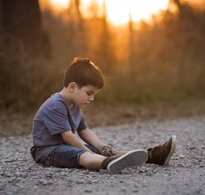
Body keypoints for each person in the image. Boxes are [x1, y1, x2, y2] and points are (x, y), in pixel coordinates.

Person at [30, 57, 176, 174]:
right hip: (48, 151)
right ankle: (107, 163)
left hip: (65, 147)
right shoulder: (56, 105)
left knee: (104, 152)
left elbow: (84, 131)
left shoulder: (75, 105)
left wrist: (101, 146)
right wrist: (90, 152)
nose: (91, 99)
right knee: (83, 155)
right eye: (89, 93)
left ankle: (152, 156)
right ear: (72, 87)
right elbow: (67, 136)